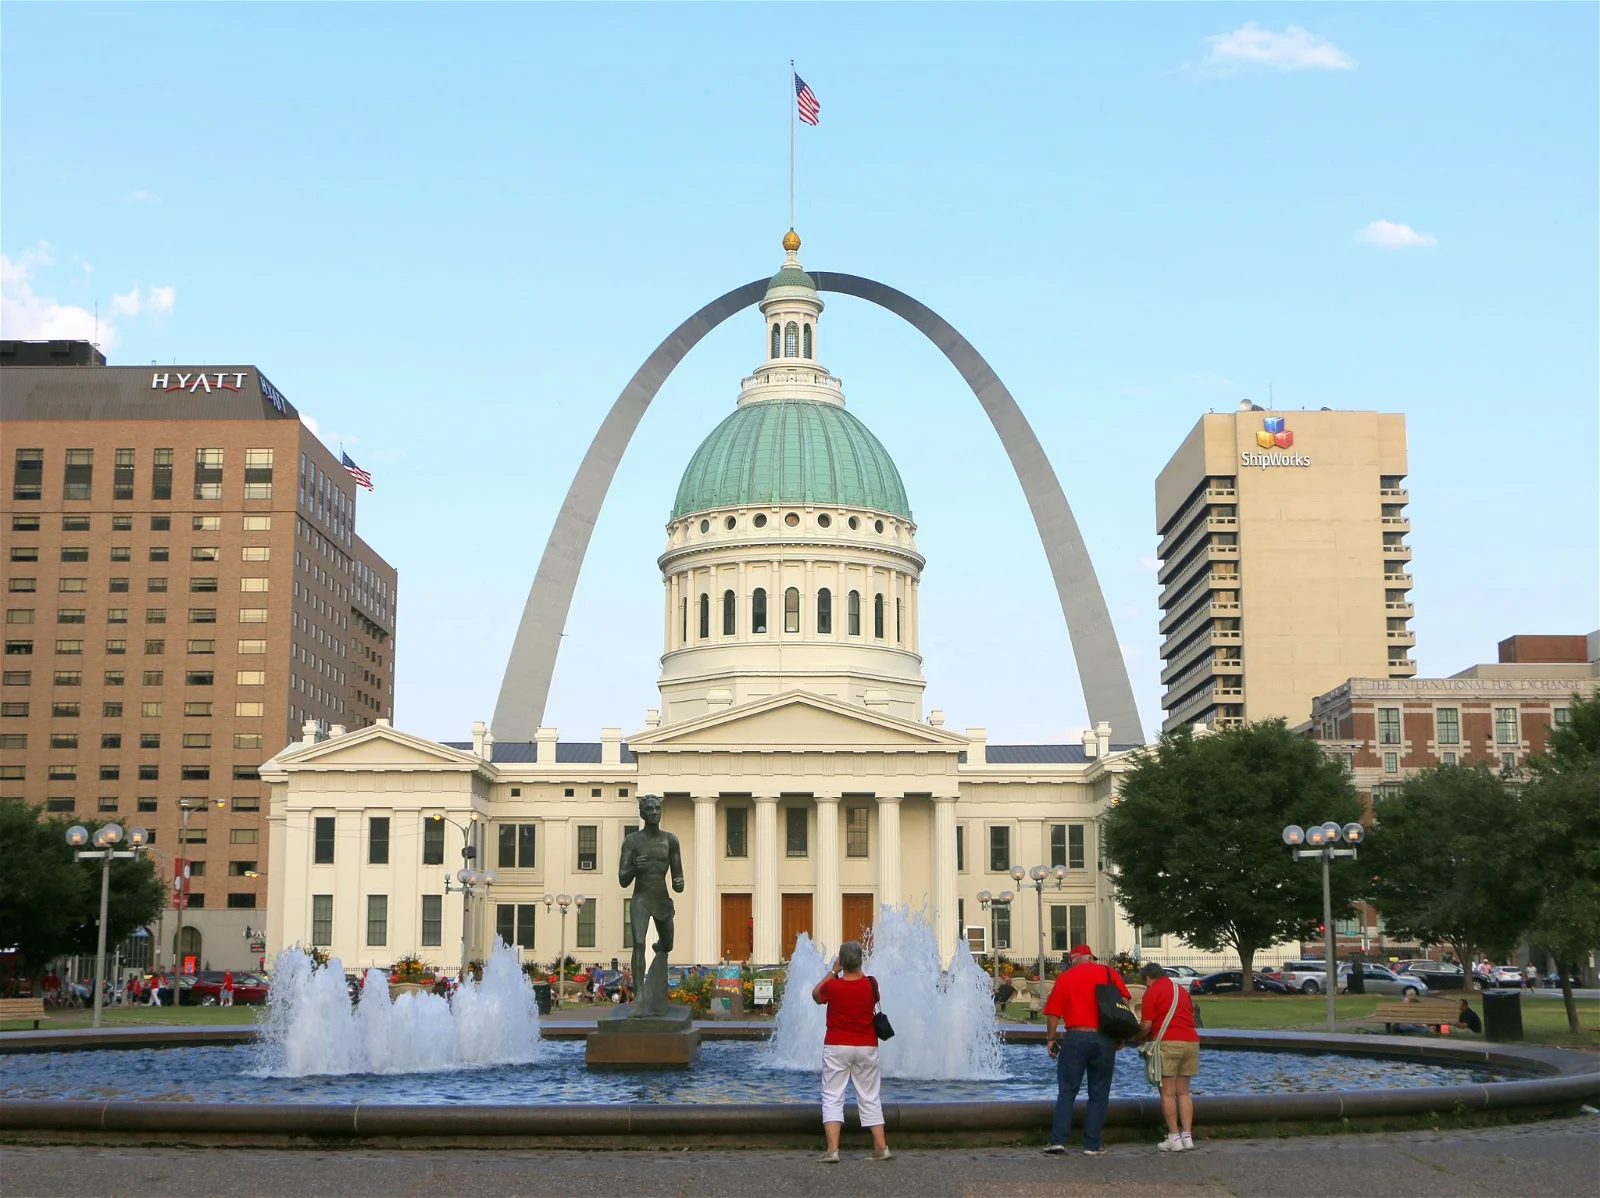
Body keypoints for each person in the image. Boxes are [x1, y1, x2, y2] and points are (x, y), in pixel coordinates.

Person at [1042, 943, 1131, 1156]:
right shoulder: (1109, 973)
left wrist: (1051, 1039)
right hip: (1104, 1037)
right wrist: (1119, 1033)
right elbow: (1125, 1001)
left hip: (1075, 1037)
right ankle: (1092, 1144)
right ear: (1091, 957)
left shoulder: (1066, 978)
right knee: (1099, 1093)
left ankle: (1058, 1141)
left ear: (1073, 960)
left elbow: (1053, 1012)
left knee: (1067, 1091)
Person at [810, 941, 890, 1164]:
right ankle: (880, 1146)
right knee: (870, 1095)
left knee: (833, 1095)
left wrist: (833, 971)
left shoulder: (833, 986)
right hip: (866, 1045)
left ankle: (833, 1150)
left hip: (837, 1045)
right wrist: (855, 968)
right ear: (861, 961)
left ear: (842, 962)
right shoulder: (871, 983)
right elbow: (876, 997)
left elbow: (815, 995)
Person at [1138, 961, 1198, 1152]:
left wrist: (1136, 1038)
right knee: (1184, 1092)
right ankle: (1187, 1136)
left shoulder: (1152, 992)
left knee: (1168, 1093)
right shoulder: (1180, 989)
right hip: (1190, 1042)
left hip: (1168, 1043)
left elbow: (1146, 1025)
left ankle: (1174, 1137)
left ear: (1148, 978)